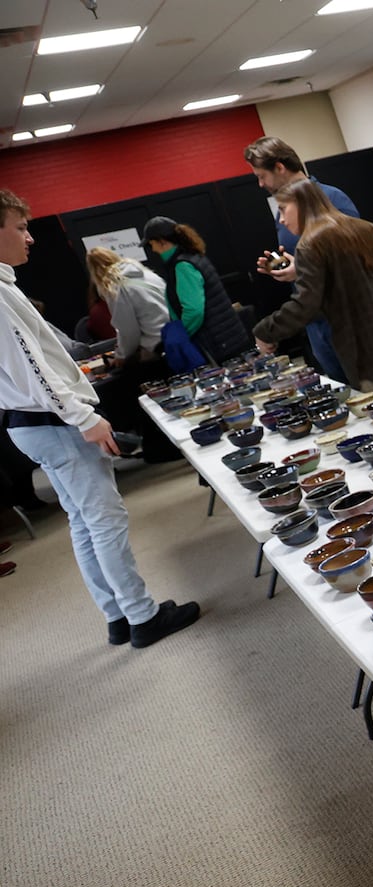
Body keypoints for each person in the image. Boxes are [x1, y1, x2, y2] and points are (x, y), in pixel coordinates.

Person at [0, 189, 200, 646]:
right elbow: (36, 367)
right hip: (54, 422)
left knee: (84, 521)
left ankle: (118, 615)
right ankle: (142, 617)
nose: (30, 237)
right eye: (20, 227)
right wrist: (83, 416)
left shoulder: (5, 287)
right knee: (104, 520)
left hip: (32, 424)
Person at [252, 180, 373, 413]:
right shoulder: (366, 228)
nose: (281, 219)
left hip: (367, 351)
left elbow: (305, 304)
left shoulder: (310, 244)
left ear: (304, 204)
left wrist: (265, 330)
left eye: (283, 209)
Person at [245, 136, 360, 384]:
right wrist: (285, 267)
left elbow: (357, 258)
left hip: (347, 320)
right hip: (314, 320)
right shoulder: (283, 211)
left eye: (262, 176)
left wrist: (303, 269)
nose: (260, 183)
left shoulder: (333, 199)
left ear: (279, 167)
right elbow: (304, 259)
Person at [84, 246, 179, 463]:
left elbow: (127, 330)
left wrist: (121, 355)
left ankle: (160, 450)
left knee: (149, 401)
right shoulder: (146, 273)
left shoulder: (116, 286)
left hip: (152, 349)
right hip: (172, 340)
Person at [140, 217, 253, 364]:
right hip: (227, 338)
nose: (153, 250)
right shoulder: (192, 255)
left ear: (162, 241)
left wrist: (180, 336)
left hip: (218, 343)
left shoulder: (182, 266)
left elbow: (194, 310)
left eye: (151, 244)